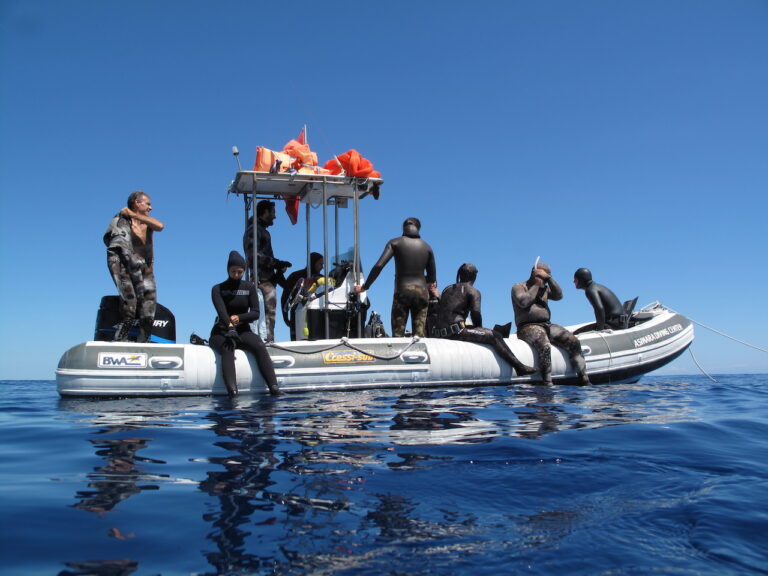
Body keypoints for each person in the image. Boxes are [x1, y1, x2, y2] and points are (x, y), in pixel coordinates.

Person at [435, 264, 536, 376]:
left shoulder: (447, 289)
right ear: (474, 276)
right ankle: (519, 367)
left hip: (439, 333)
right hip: (455, 333)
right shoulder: (473, 291)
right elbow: (476, 314)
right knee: (495, 335)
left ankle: (519, 366)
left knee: (488, 332)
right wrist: (480, 329)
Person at [209, 251, 280, 397]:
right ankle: (233, 393)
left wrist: (239, 318)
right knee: (228, 348)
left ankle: (274, 388)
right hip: (221, 332)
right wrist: (230, 326)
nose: (236, 275)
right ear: (228, 270)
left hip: (242, 330)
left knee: (259, 344)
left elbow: (255, 313)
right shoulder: (218, 289)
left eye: (239, 272)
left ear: (244, 271)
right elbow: (222, 312)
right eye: (233, 271)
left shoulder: (249, 287)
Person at [354, 217, 438, 337]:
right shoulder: (427, 247)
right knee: (419, 336)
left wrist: (365, 287)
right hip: (422, 293)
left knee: (398, 335)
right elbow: (432, 279)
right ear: (418, 228)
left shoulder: (395, 242)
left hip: (402, 292)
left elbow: (379, 265)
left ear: (404, 228)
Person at [511, 262, 590, 384]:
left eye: (547, 275)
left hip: (547, 324)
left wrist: (549, 279)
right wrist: (537, 283)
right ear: (534, 273)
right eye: (544, 275)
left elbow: (559, 296)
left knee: (573, 341)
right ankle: (547, 382)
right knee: (545, 345)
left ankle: (584, 379)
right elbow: (524, 302)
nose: (545, 278)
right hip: (526, 327)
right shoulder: (519, 286)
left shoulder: (545, 289)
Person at [104, 190, 164, 342]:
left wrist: (135, 215)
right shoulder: (121, 219)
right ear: (137, 203)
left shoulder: (147, 222)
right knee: (130, 302)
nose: (151, 208)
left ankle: (144, 339)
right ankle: (121, 338)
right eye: (148, 204)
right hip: (122, 263)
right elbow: (110, 242)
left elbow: (160, 226)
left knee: (149, 304)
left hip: (144, 267)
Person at [243, 199, 291, 342]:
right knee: (266, 318)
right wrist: (276, 263)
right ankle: (266, 345)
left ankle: (267, 342)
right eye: (273, 212)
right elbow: (254, 256)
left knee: (268, 317)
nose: (275, 216)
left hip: (266, 280)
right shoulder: (254, 230)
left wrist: (278, 267)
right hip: (261, 282)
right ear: (265, 212)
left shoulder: (261, 231)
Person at [281, 252, 324, 340]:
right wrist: (285, 317)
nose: (322, 267)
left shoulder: (322, 279)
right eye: (320, 264)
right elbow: (284, 298)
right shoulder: (295, 276)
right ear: (313, 262)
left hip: (316, 318)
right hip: (297, 316)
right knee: (297, 342)